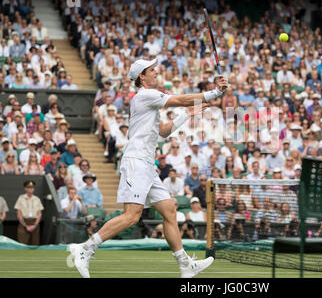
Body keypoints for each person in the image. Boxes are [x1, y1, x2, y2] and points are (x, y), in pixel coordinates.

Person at [68, 58, 226, 278]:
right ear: (141, 76)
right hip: (136, 162)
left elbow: (162, 131)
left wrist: (186, 115)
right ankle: (85, 248)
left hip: (146, 165)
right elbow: (181, 99)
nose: (156, 72)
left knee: (170, 209)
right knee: (132, 216)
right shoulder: (145, 95)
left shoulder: (148, 100)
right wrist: (214, 93)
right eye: (152, 70)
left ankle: (185, 265)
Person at [14, 180, 44, 245]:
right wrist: (25, 225)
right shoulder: (21, 198)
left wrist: (35, 225)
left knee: (35, 243)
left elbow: (39, 213)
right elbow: (19, 213)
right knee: (22, 243)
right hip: (24, 222)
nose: (31, 189)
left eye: (32, 188)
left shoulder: (37, 199)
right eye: (29, 187)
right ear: (25, 189)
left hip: (34, 222)